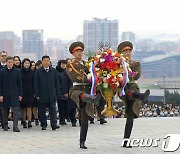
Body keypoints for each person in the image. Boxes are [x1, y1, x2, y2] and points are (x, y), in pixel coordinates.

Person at [66, 42, 101, 149]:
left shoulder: (88, 64)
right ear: (73, 53)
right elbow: (75, 78)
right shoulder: (71, 64)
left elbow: (95, 72)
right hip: (76, 89)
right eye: (77, 52)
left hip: (87, 90)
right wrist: (90, 78)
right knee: (80, 95)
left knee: (84, 118)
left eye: (80, 51)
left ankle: (82, 141)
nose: (79, 53)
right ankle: (91, 99)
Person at [117, 41, 150, 148]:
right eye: (125, 51)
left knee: (130, 116)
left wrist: (127, 69)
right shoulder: (116, 64)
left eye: (129, 51)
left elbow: (136, 76)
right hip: (123, 89)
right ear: (121, 53)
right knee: (128, 95)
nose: (127, 53)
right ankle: (141, 96)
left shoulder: (135, 64)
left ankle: (126, 141)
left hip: (133, 88)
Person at [34, 55, 60, 130]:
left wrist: (57, 93)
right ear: (42, 62)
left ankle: (54, 124)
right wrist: (37, 94)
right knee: (42, 111)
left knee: (53, 111)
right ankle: (44, 124)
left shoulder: (53, 71)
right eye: (45, 61)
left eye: (48, 61)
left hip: (52, 94)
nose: (46, 62)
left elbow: (56, 83)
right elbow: (36, 84)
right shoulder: (38, 72)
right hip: (42, 95)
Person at [0, 56, 22, 132]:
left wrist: (20, 94)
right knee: (4, 111)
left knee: (15, 111)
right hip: (5, 94)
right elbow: (0, 84)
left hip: (14, 94)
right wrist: (1, 95)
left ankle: (15, 127)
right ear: (6, 63)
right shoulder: (2, 71)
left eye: (11, 62)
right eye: (9, 62)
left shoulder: (17, 71)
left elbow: (19, 84)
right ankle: (5, 125)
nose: (10, 64)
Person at [20, 58, 34, 128]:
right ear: (23, 64)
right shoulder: (20, 72)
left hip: (30, 91)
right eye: (25, 63)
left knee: (29, 107)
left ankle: (29, 121)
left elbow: (34, 82)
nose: (27, 65)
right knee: (23, 107)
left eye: (28, 63)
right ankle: (23, 121)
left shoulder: (32, 72)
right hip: (22, 92)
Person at [56, 60, 68, 125]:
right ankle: (62, 119)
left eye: (64, 64)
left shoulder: (68, 72)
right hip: (60, 91)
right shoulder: (56, 72)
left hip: (67, 91)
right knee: (61, 107)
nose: (63, 65)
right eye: (62, 64)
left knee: (67, 106)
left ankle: (68, 118)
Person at [32, 60, 42, 126]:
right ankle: (36, 118)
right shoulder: (34, 73)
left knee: (41, 106)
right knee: (35, 106)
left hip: (42, 92)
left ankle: (41, 118)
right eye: (38, 66)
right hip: (34, 91)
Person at [0, 51, 7, 127]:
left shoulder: (9, 66)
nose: (4, 57)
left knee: (4, 108)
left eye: (5, 56)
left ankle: (4, 123)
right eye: (2, 56)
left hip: (5, 90)